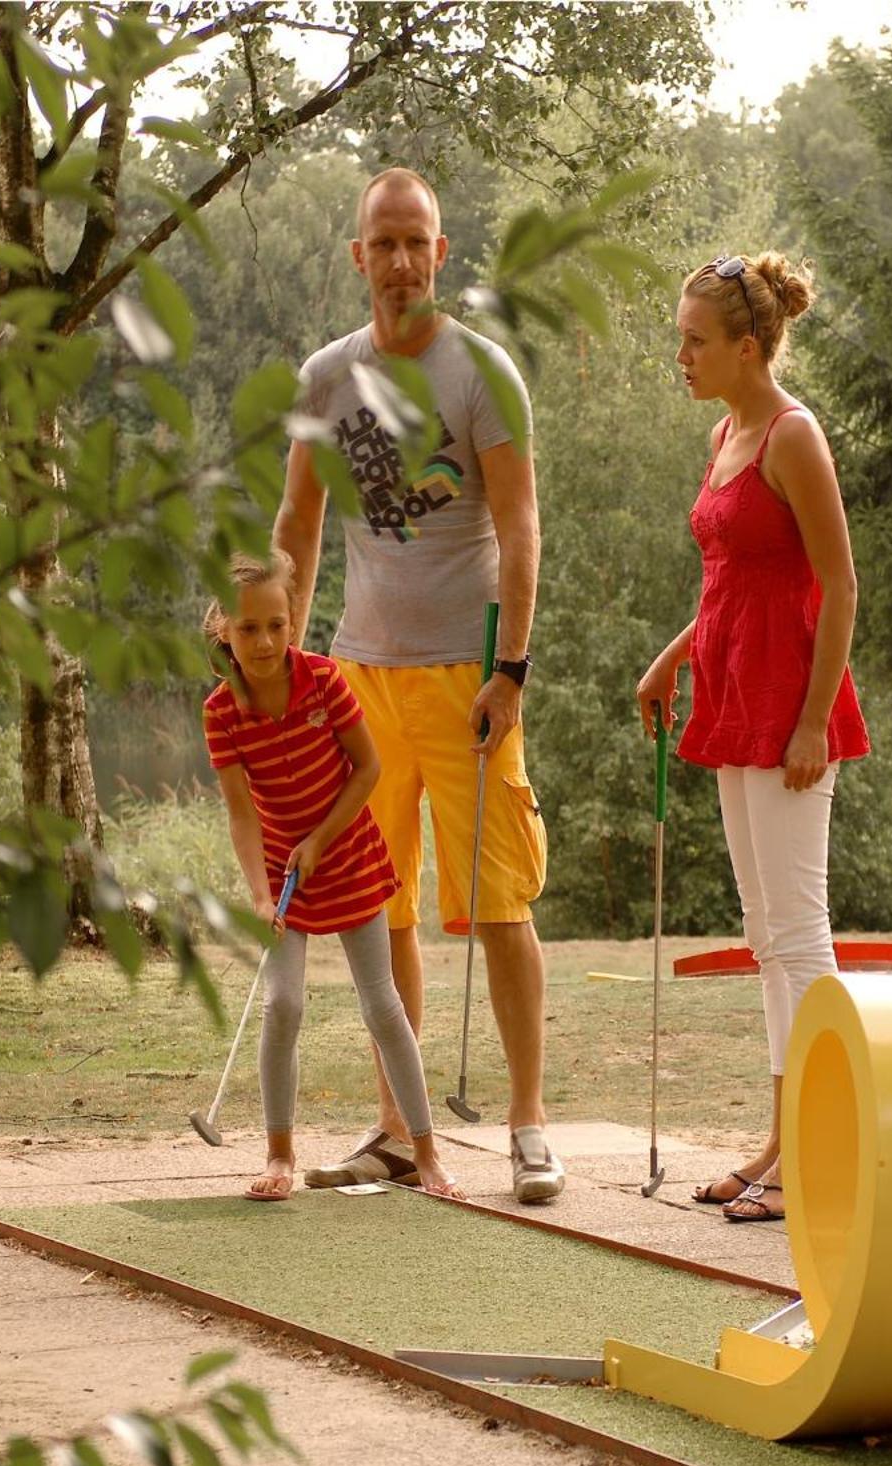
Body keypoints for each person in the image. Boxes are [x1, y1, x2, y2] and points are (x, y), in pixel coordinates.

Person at [273, 167, 564, 1204]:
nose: (399, 261)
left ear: (442, 253)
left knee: (496, 905)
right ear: (356, 256)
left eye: (416, 243)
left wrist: (511, 670)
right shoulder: (325, 377)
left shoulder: (481, 371)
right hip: (357, 683)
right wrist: (288, 660)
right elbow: (299, 527)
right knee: (377, 910)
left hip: (467, 679)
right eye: (381, 243)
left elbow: (521, 524)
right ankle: (398, 1127)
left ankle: (528, 1124)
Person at [636, 253, 870, 1223]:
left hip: (787, 708)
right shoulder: (725, 432)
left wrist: (812, 718)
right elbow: (733, 576)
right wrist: (671, 656)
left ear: (744, 347)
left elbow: (839, 585)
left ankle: (817, 1150)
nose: (679, 356)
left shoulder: (790, 435)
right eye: (678, 338)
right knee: (763, 934)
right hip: (732, 695)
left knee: (796, 933)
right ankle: (782, 1141)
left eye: (693, 341)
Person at [204, 551, 463, 1201]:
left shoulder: (323, 679)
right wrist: (259, 898)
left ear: (292, 622)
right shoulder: (220, 711)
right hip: (279, 870)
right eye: (247, 629)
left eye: (275, 625)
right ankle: (279, 1156)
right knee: (283, 1002)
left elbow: (368, 770)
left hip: (346, 854)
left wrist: (320, 838)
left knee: (382, 1006)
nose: (263, 641)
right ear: (223, 633)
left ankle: (426, 1155)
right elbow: (241, 814)